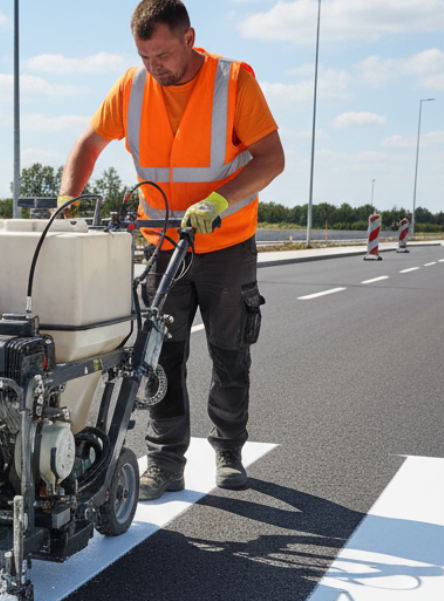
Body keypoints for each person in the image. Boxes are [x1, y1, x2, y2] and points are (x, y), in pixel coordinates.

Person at [58, 0, 284, 499]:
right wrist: (67, 209)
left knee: (230, 351)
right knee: (160, 355)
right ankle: (164, 462)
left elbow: (271, 158)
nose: (153, 66)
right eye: (144, 56)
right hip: (163, 244)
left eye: (161, 54)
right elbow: (88, 144)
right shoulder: (132, 86)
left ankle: (228, 450)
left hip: (226, 243)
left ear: (189, 38)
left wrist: (218, 201)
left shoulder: (233, 81)